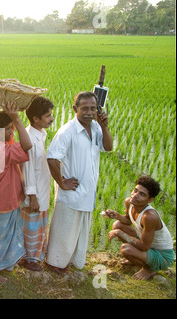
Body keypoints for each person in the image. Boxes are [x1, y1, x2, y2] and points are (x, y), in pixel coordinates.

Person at [45, 91, 113, 274]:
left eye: (93, 108)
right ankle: (55, 264)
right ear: (75, 109)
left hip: (87, 191)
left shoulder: (96, 128)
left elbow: (108, 147)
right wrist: (62, 183)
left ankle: (73, 262)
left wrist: (105, 126)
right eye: (84, 108)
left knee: (79, 231)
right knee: (64, 230)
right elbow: (52, 159)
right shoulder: (67, 131)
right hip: (71, 193)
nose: (89, 112)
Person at [0, 102, 32, 284]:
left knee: (6, 234)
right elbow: (27, 146)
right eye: (8, 129)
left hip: (7, 198)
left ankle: (2, 263)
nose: (12, 132)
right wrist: (17, 121)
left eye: (11, 128)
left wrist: (10, 117)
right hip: (1, 200)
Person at [105, 175, 175, 280]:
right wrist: (117, 216)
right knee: (117, 225)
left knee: (126, 249)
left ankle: (149, 269)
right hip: (147, 243)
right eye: (135, 190)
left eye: (142, 194)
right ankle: (138, 258)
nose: (135, 195)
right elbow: (128, 221)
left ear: (150, 199)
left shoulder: (149, 216)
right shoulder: (129, 202)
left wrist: (120, 233)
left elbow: (144, 246)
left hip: (162, 254)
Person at [18, 96, 55, 271]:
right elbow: (27, 169)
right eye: (48, 116)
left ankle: (34, 255)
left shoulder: (40, 134)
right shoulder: (30, 139)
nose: (52, 119)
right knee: (31, 226)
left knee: (38, 224)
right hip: (34, 193)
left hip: (41, 190)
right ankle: (29, 259)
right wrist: (32, 197)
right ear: (35, 119)